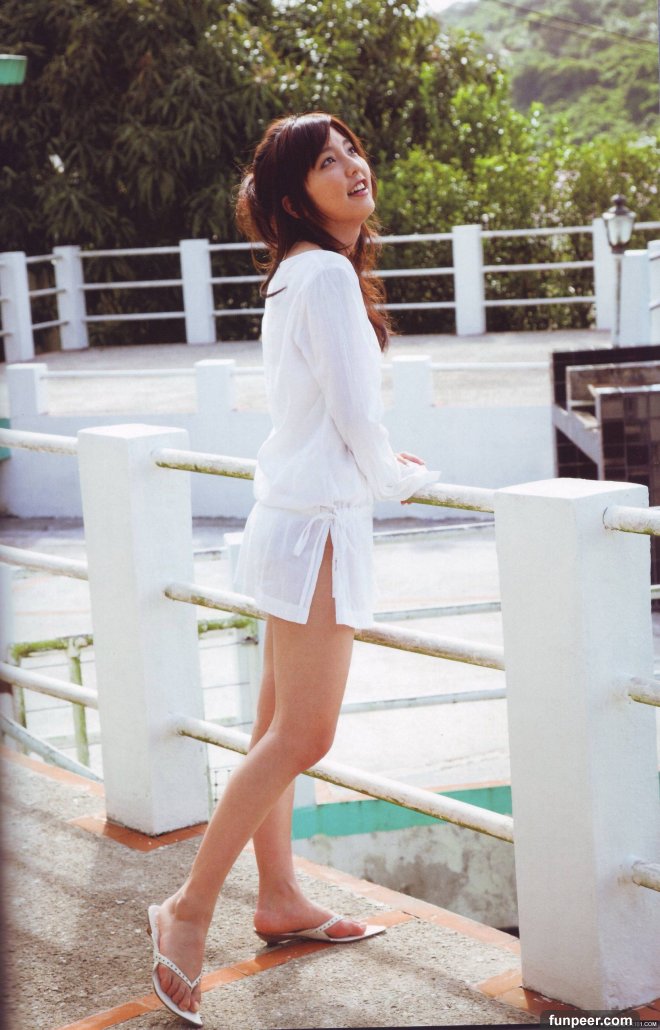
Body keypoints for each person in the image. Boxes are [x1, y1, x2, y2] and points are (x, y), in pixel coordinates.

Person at [147, 111, 438, 1026]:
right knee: (303, 736)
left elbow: (326, 411)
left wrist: (376, 463)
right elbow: (354, 413)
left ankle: (278, 898)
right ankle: (187, 910)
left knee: (273, 728)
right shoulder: (325, 277)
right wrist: (396, 475)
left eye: (351, 149)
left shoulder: (299, 272)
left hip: (290, 518)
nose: (352, 165)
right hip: (316, 529)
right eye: (325, 161)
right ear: (291, 195)